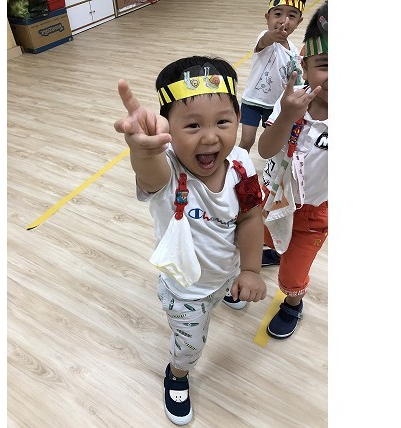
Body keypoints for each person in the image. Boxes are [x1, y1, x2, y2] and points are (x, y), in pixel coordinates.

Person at [114, 55, 267, 425]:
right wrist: (143, 150)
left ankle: (227, 291)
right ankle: (177, 373)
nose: (210, 136)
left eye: (223, 122)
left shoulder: (242, 164)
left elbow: (250, 216)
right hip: (186, 290)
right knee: (190, 345)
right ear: (168, 127)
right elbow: (151, 175)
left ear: (239, 118)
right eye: (193, 125)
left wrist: (249, 270)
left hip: (225, 273)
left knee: (228, 286)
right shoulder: (168, 168)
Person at [258, 1, 328, 340]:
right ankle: (275, 248)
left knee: (293, 275)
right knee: (268, 237)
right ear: (305, 65)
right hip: (274, 196)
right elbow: (265, 149)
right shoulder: (291, 100)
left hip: (313, 212)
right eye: (326, 65)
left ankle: (292, 303)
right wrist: (286, 116)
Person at [238, 0, 306, 154]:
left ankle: (271, 166)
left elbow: (294, 76)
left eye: (291, 16)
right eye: (278, 14)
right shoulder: (265, 38)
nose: (283, 20)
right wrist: (273, 35)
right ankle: (239, 164)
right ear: (267, 17)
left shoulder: (293, 50)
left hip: (275, 105)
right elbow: (265, 39)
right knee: (247, 140)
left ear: (299, 22)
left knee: (273, 141)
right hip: (252, 101)